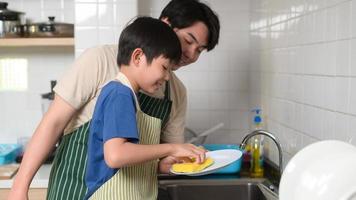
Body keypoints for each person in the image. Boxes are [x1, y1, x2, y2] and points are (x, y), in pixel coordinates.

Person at [8, 0, 220, 199]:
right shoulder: (100, 61)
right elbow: (53, 123)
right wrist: (19, 187)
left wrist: (181, 160)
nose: (191, 54)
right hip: (74, 189)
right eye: (189, 40)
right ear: (165, 24)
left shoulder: (176, 92)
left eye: (200, 50)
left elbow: (161, 159)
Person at [84, 16, 206, 200]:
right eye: (164, 67)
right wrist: (171, 148)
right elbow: (116, 156)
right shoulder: (119, 94)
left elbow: (127, 161)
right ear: (138, 57)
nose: (167, 77)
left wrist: (159, 166)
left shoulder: (128, 96)